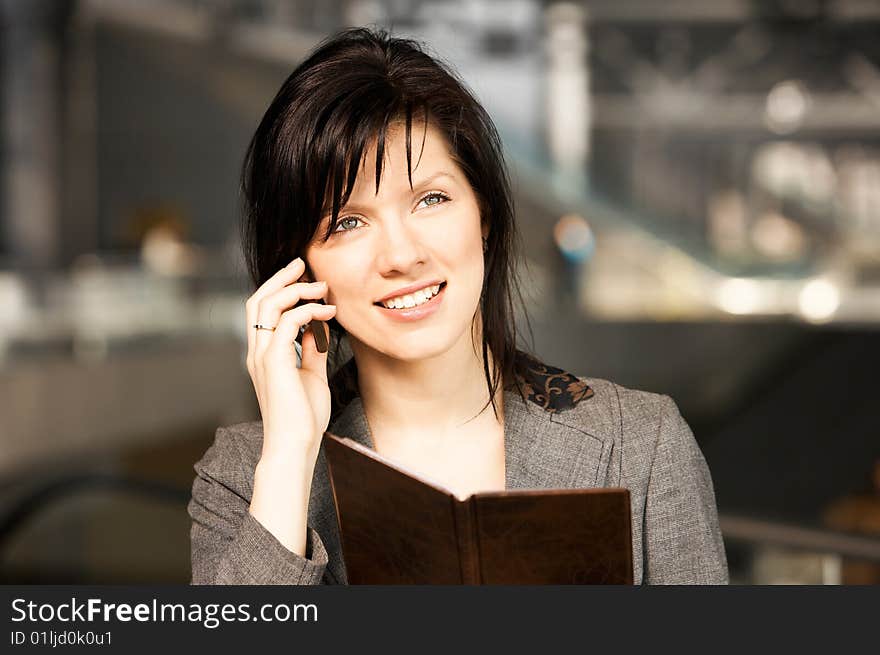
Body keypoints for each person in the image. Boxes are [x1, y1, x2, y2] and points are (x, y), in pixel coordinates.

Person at [188, 27, 728, 585]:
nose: (401, 255)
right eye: (347, 223)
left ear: (484, 218)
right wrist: (289, 459)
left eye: (431, 199)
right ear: (298, 268)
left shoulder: (643, 444)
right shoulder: (244, 475)